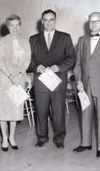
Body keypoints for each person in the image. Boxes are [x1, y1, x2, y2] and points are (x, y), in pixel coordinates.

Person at [29, 9, 76, 148]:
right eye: (46, 20)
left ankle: (59, 138)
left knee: (58, 112)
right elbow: (29, 59)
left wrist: (59, 67)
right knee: (41, 111)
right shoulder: (33, 39)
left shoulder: (65, 37)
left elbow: (72, 58)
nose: (49, 22)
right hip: (40, 81)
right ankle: (42, 137)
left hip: (58, 81)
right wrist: (36, 66)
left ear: (55, 20)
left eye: (52, 19)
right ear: (42, 22)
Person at [73, 12, 100, 157]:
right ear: (88, 23)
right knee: (85, 114)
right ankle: (86, 143)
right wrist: (78, 80)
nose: (94, 24)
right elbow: (78, 64)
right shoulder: (82, 40)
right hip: (84, 85)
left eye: (97, 21)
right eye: (91, 21)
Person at [0, 14, 31, 151]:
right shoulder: (3, 41)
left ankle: (12, 137)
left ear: (20, 26)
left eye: (17, 25)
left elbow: (27, 60)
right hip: (4, 79)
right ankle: (4, 138)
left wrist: (20, 74)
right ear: (7, 27)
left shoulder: (25, 42)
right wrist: (10, 75)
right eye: (12, 25)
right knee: (3, 110)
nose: (15, 28)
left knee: (15, 109)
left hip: (19, 79)